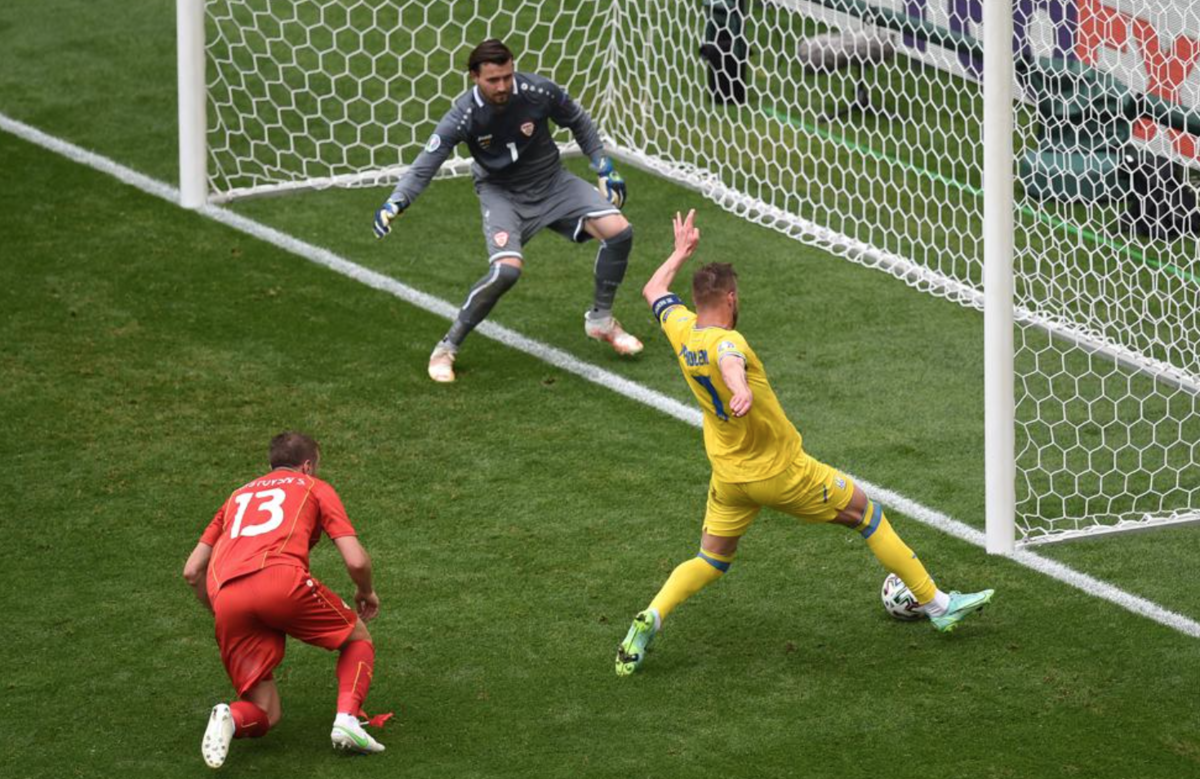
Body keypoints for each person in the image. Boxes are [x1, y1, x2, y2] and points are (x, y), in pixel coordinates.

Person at [614, 210, 995, 676]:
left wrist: (678, 254)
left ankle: (651, 616)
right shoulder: (729, 342)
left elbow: (653, 290)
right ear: (730, 298)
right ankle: (938, 605)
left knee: (710, 559)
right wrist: (741, 388)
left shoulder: (682, 328)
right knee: (867, 514)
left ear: (695, 300)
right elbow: (730, 361)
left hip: (729, 477)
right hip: (781, 473)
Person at [373, 38, 642, 383]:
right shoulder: (463, 115)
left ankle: (601, 320)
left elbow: (578, 120)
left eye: (507, 77)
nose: (502, 86)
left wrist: (603, 166)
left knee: (619, 231)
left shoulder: (538, 92)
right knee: (506, 271)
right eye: (493, 80)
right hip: (502, 194)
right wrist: (397, 201)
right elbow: (426, 164)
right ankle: (447, 347)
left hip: (552, 182)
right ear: (474, 77)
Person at [183, 432, 388, 768]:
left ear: (271, 465)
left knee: (266, 711)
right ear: (307, 466)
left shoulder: (236, 497)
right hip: (281, 581)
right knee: (357, 637)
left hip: (227, 596)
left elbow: (192, 571)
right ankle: (347, 721)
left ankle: (230, 718)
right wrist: (365, 591)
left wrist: (223, 612)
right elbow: (356, 561)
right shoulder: (313, 487)